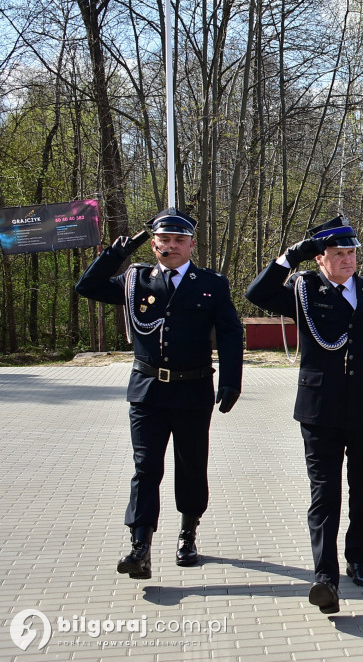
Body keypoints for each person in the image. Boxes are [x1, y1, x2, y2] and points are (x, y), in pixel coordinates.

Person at [245, 216, 363, 615]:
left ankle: (357, 559)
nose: (348, 260)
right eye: (339, 253)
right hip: (320, 409)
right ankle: (324, 576)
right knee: (324, 494)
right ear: (321, 258)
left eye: (351, 253)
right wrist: (292, 257)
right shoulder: (304, 289)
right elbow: (256, 293)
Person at [75, 207, 243, 579]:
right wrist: (116, 253)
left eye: (179, 240)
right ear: (154, 244)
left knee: (191, 466)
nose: (172, 245)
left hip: (193, 389)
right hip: (148, 391)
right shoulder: (136, 280)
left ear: (191, 245)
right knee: (145, 468)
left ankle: (188, 533)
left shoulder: (210, 283)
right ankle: (140, 546)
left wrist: (232, 380)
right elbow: (87, 287)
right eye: (164, 239)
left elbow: (231, 333)